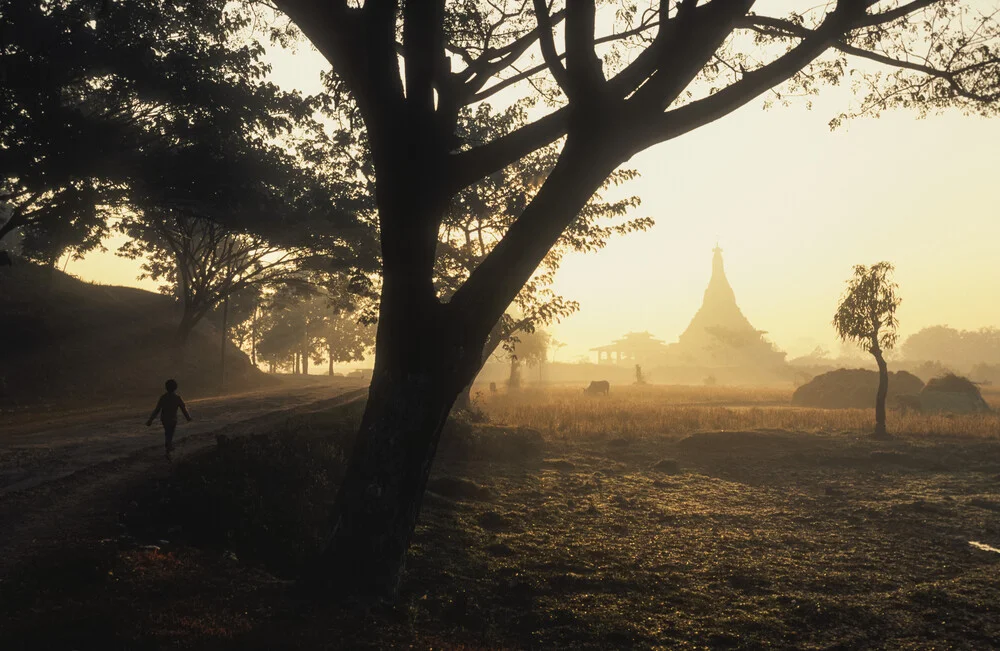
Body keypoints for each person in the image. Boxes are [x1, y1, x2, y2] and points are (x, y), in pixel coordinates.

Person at [146, 379, 192, 459]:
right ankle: (168, 447)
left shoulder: (163, 397)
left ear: (166, 387)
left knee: (167, 432)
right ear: (175, 387)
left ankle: (168, 447)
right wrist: (188, 417)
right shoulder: (177, 398)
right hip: (173, 419)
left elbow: (157, 410)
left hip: (164, 419)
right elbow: (183, 409)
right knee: (170, 433)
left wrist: (150, 420)